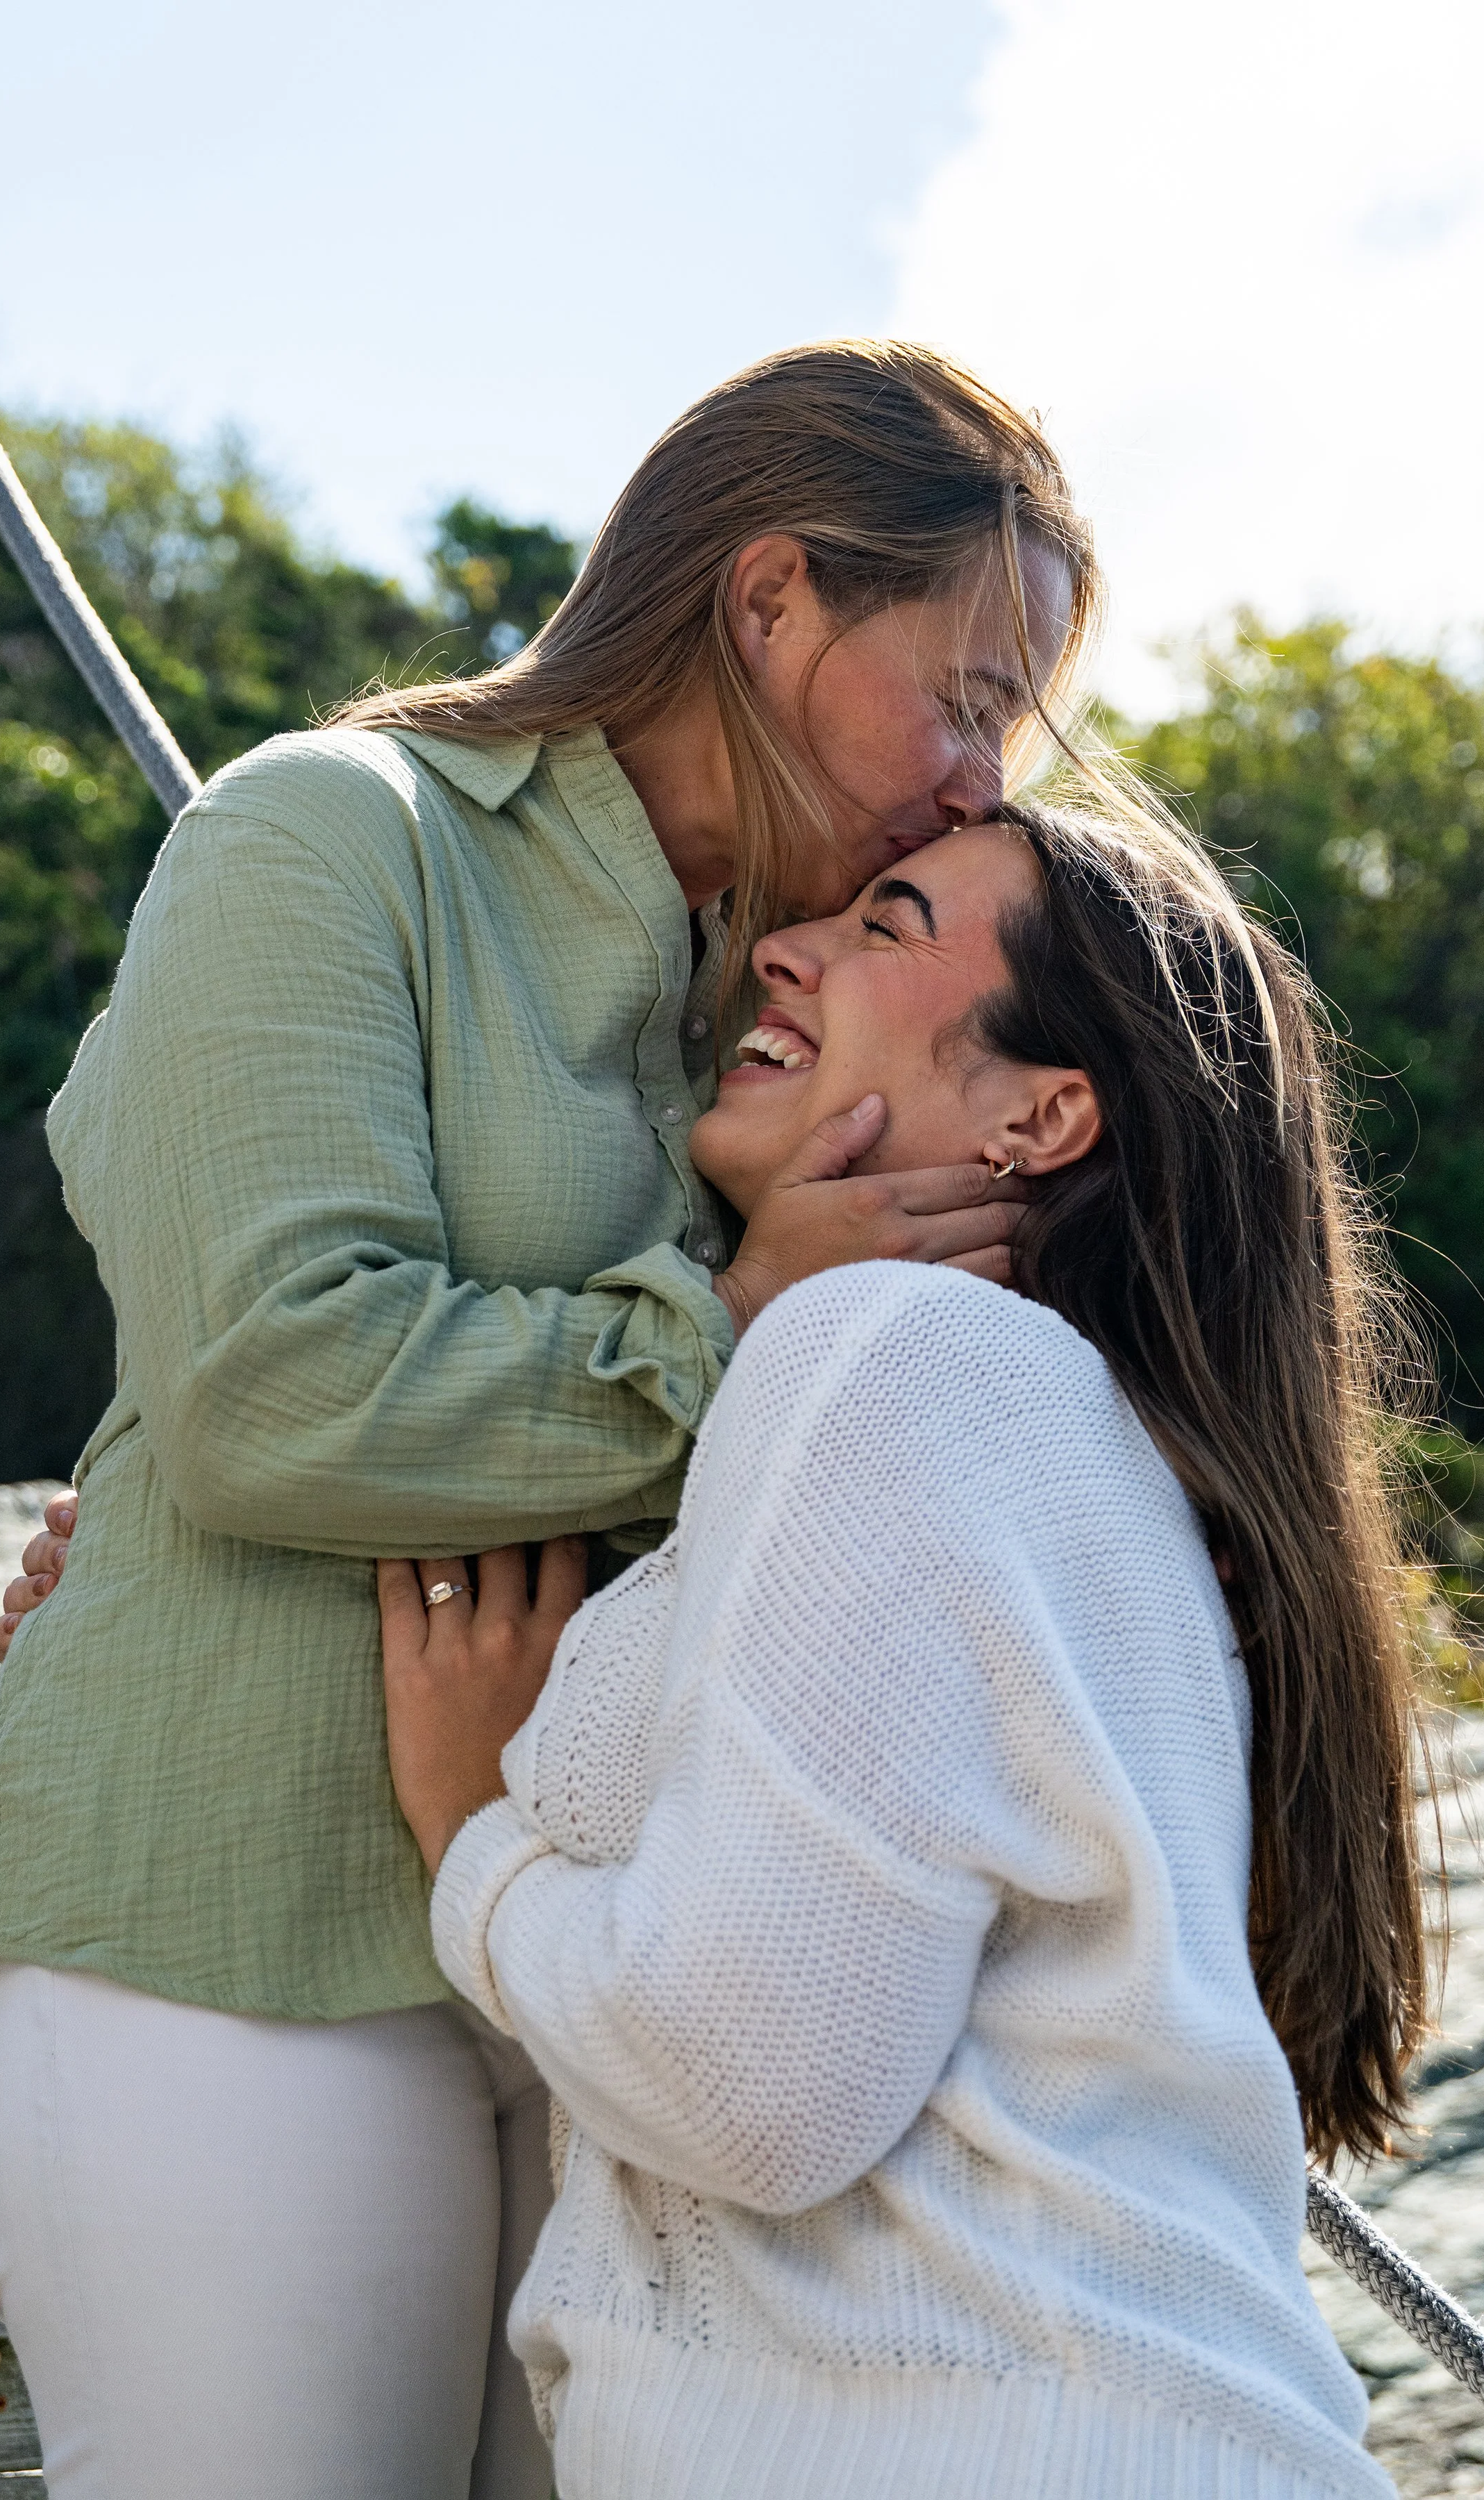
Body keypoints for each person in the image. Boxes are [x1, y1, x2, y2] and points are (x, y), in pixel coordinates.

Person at [0, 340, 1099, 2500]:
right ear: (772, 601)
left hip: (612, 1966)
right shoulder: (328, 834)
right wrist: (723, 1331)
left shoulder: (806, 996)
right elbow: (265, 1386)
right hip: (232, 1914)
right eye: (975, 693)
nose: (987, 780)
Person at [378, 803, 1429, 2500]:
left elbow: (748, 2091)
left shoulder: (891, 1356)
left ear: (1041, 1112)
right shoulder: (1097, 1458)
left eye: (890, 922)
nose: (783, 947)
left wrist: (470, 1841)